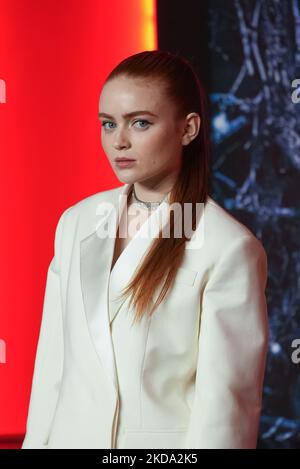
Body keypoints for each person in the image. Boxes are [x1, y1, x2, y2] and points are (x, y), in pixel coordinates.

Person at [21, 50, 269, 449]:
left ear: (187, 129)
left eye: (140, 123)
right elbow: (52, 368)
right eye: (108, 123)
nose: (118, 140)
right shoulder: (76, 223)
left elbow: (225, 412)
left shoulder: (227, 247)